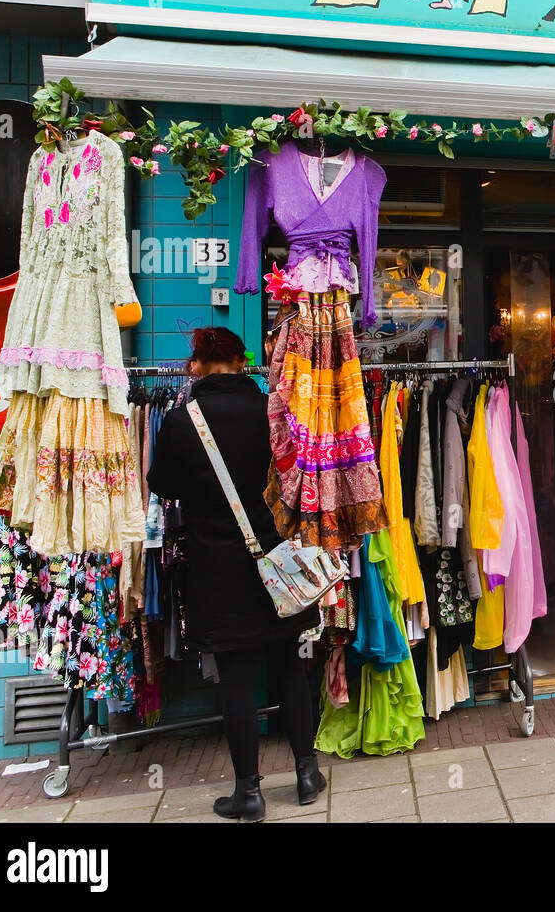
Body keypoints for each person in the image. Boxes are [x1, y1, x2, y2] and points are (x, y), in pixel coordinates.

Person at [147, 326, 324, 822]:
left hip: (217, 566)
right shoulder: (270, 412)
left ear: (199, 364)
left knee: (237, 677)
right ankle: (307, 773)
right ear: (243, 363)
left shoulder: (183, 421)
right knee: (289, 662)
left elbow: (162, 485)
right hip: (276, 561)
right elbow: (296, 472)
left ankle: (249, 793)